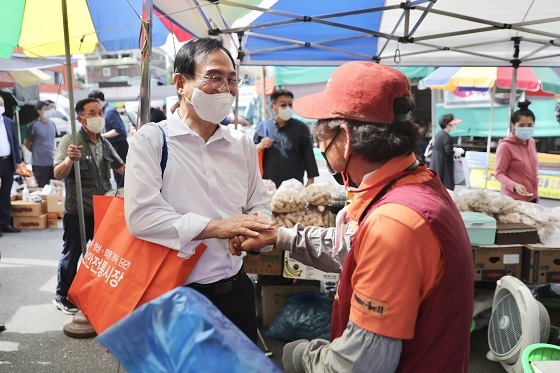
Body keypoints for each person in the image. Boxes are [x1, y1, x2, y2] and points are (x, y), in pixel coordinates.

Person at [231, 62, 474, 372]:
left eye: (321, 133)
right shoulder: (417, 183)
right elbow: (352, 246)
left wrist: (302, 356)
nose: (320, 145)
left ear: (344, 137)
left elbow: (357, 364)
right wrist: (281, 237)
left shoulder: (394, 224)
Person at [124, 37, 273, 344]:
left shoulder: (241, 144)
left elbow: (259, 204)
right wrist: (219, 227)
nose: (225, 88)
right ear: (181, 83)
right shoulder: (152, 140)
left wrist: (253, 233)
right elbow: (142, 216)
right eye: (214, 77)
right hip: (176, 296)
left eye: (232, 80)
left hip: (236, 292)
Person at [52, 98, 125, 314]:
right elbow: (57, 173)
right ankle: (62, 296)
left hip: (102, 210)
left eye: (100, 112)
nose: (98, 116)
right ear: (80, 118)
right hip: (78, 210)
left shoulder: (104, 142)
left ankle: (92, 294)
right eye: (92, 113)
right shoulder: (70, 140)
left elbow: (123, 168)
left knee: (99, 255)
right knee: (72, 253)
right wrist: (68, 160)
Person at [253, 89, 319, 188]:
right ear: (272, 107)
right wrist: (259, 146)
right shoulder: (263, 126)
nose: (287, 108)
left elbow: (308, 154)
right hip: (268, 185)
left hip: (293, 186)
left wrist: (311, 179)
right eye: (283, 105)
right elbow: (250, 151)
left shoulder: (301, 128)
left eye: (290, 105)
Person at [495, 101, 538, 202]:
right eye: (522, 125)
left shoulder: (531, 142)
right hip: (513, 199)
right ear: (513, 125)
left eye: (530, 125)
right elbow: (499, 173)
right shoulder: (505, 146)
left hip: (531, 197)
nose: (526, 128)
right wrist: (514, 185)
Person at [87, 90, 129, 186]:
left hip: (118, 146)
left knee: (122, 177)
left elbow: (119, 130)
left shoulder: (109, 111)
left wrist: (101, 136)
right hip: (115, 146)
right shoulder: (106, 111)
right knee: (119, 177)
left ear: (97, 100)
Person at [0, 96, 22, 235]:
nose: (1, 106)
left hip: (7, 162)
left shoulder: (8, 122)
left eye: (1, 104)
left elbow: (14, 141)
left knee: (5, 194)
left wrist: (18, 160)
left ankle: (5, 223)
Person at [23, 101, 58, 188]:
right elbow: (26, 143)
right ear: (39, 111)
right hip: (40, 164)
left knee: (55, 186)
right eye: (45, 109)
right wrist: (36, 150)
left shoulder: (52, 124)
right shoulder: (34, 125)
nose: (48, 111)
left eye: (49, 108)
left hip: (52, 161)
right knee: (42, 187)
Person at [430, 113, 462, 190]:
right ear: (448, 125)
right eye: (453, 124)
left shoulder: (439, 134)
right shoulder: (447, 137)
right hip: (444, 168)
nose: (454, 126)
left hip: (436, 167)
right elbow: (448, 151)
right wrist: (455, 151)